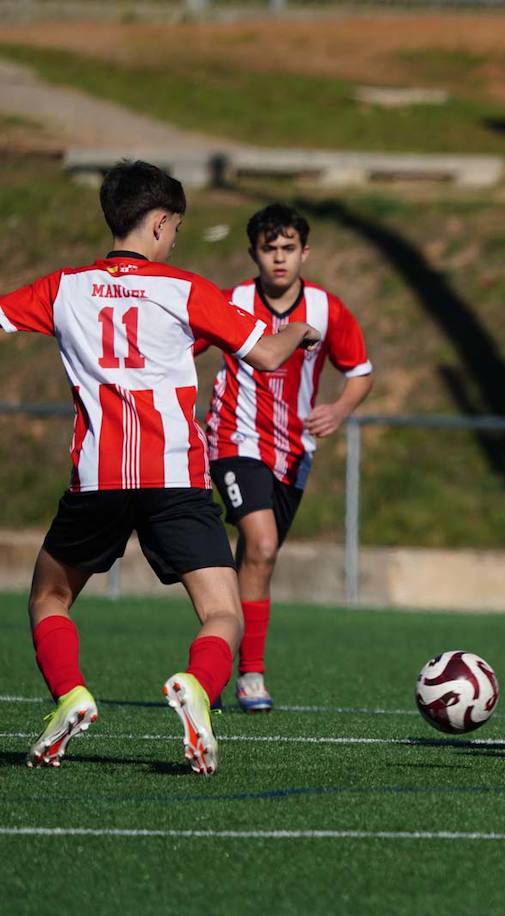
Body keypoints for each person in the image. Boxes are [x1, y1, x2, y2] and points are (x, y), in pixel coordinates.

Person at [0, 160, 319, 774]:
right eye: (174, 229)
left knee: (50, 595)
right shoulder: (185, 289)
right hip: (175, 478)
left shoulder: (63, 288)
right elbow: (270, 355)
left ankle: (70, 693)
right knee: (222, 612)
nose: (174, 240)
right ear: (161, 222)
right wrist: (300, 330)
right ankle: (197, 686)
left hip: (97, 478)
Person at [199, 203, 373, 713]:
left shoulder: (325, 308)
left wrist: (340, 407)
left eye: (288, 248)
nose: (279, 258)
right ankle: (250, 674)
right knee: (263, 542)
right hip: (234, 438)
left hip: (294, 450)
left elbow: (360, 371)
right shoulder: (230, 301)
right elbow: (184, 347)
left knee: (258, 557)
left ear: (305, 252)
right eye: (269, 248)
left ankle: (220, 641)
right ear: (253, 253)